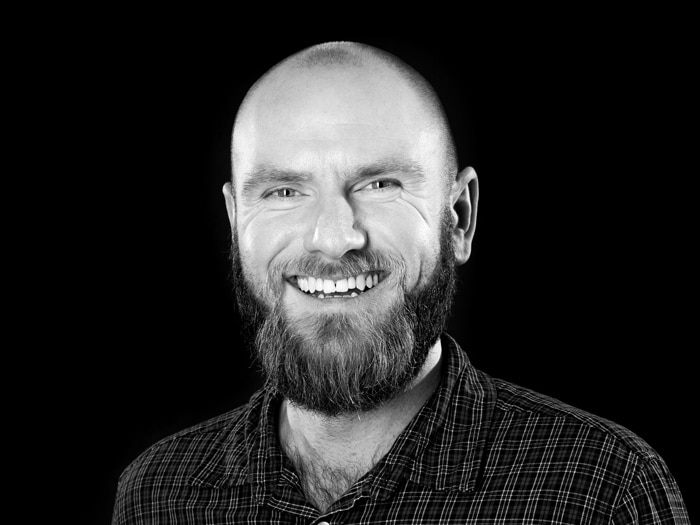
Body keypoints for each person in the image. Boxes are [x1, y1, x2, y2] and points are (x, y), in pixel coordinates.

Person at [112, 41, 689, 524]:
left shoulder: (604, 491)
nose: (333, 238)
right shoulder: (157, 494)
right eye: (284, 191)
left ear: (459, 218)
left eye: (380, 184)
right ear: (236, 222)